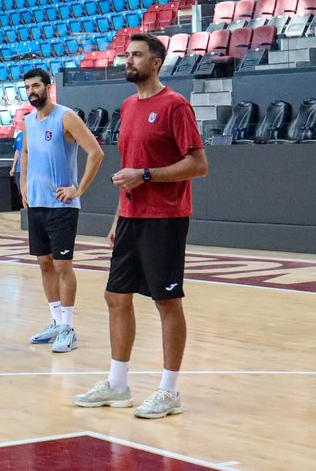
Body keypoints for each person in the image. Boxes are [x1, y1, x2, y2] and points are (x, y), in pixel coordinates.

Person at [75, 33, 208, 419]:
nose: (127, 61)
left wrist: (146, 176)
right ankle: (117, 385)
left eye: (136, 55)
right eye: (126, 55)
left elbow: (198, 164)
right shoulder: (129, 106)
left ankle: (169, 391)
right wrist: (119, 216)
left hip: (165, 218)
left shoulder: (176, 106)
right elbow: (128, 171)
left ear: (156, 62)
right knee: (116, 297)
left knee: (167, 303)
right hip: (131, 219)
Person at [11, 67, 102, 354]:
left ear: (48, 87)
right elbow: (25, 154)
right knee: (45, 264)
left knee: (63, 266)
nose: (31, 91)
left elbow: (96, 152)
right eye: (27, 87)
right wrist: (23, 186)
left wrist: (79, 189)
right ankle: (55, 321)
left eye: (36, 86)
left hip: (62, 206)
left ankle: (68, 327)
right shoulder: (27, 121)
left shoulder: (65, 117)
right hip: (36, 204)